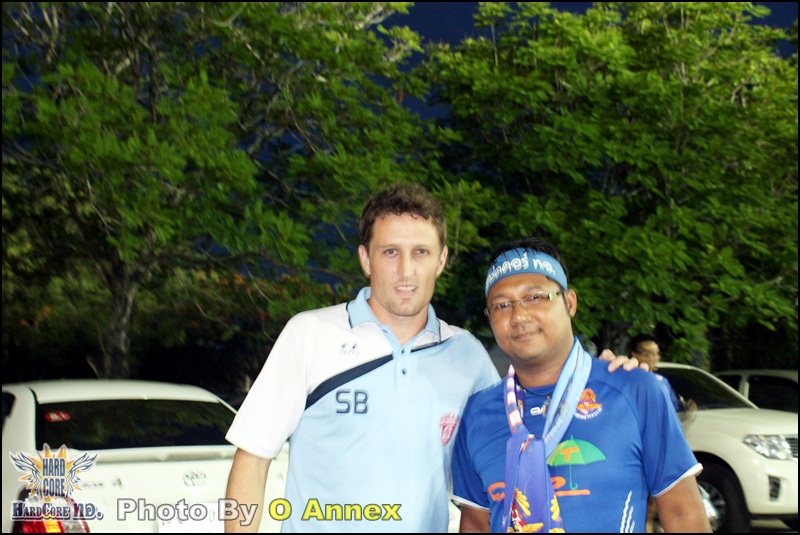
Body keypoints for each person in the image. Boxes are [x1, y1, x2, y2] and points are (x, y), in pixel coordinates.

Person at [224, 184, 639, 533]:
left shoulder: (467, 355)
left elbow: (531, 421)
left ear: (441, 260)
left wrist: (598, 376)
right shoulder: (309, 334)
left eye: (420, 252)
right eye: (390, 252)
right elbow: (252, 461)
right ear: (365, 259)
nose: (406, 270)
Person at [452, 237, 711, 533]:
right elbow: (476, 524)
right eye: (501, 305)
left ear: (570, 303)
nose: (519, 316)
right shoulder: (477, 414)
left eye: (535, 297)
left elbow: (683, 514)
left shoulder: (635, 391)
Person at [629, 334, 680, 411]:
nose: (653, 358)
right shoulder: (626, 379)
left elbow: (673, 408)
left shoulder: (661, 381)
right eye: (647, 354)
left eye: (656, 353)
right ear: (634, 354)